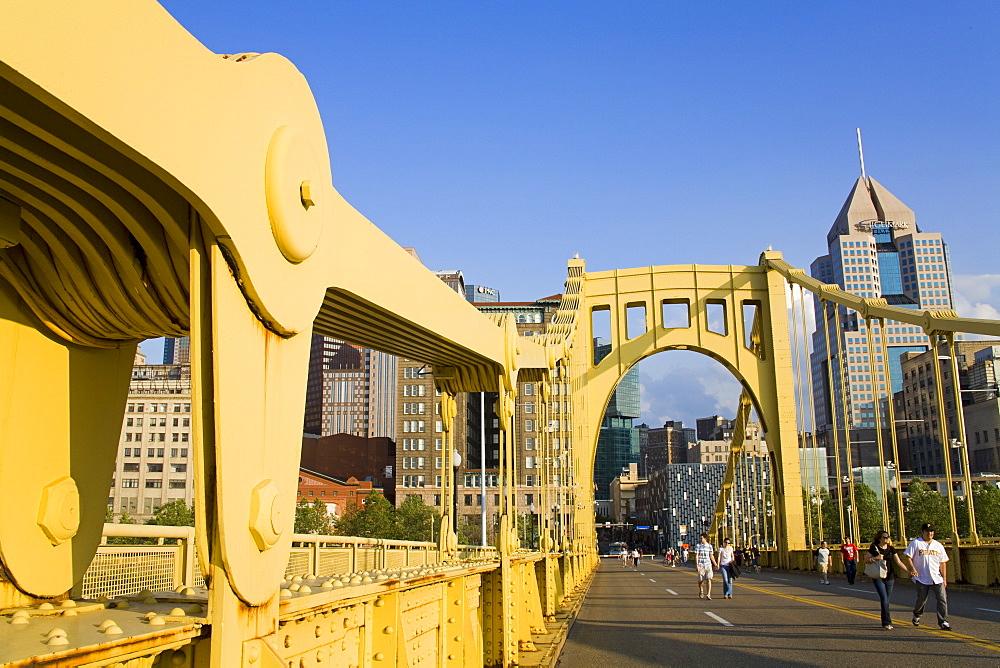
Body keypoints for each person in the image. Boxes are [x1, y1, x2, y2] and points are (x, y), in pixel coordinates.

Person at [901, 523, 951, 631]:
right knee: (922, 599)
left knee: (942, 599)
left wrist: (944, 579)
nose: (930, 534)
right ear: (923, 532)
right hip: (921, 577)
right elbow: (908, 557)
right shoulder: (916, 543)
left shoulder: (938, 545)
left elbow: (942, 562)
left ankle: (943, 621)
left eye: (931, 531)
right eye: (927, 531)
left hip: (937, 577)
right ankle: (917, 615)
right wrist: (912, 569)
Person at [865, 529, 908, 630]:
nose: (887, 539)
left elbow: (899, 562)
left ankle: (885, 619)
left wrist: (909, 571)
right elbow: (866, 560)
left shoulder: (891, 549)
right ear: (880, 538)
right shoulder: (874, 549)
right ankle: (886, 622)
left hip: (890, 577)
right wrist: (875, 558)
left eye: (888, 537)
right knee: (884, 599)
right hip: (878, 577)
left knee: (887, 600)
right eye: (885, 537)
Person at [695, 533, 719, 600]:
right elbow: (697, 555)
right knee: (700, 580)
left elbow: (711, 555)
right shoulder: (698, 546)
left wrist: (715, 564)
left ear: (705, 539)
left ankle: (708, 594)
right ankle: (701, 590)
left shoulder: (709, 546)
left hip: (708, 564)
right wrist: (697, 565)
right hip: (701, 565)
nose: (700, 539)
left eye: (701, 538)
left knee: (709, 579)